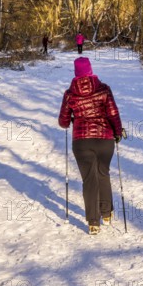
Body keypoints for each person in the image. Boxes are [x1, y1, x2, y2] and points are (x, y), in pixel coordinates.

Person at [58, 57, 123, 235]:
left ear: (75, 73)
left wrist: (73, 118)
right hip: (105, 139)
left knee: (89, 179)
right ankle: (106, 213)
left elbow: (63, 122)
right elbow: (113, 113)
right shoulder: (103, 89)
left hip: (81, 142)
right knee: (103, 173)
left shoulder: (69, 94)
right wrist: (118, 132)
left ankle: (93, 223)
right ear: (91, 70)